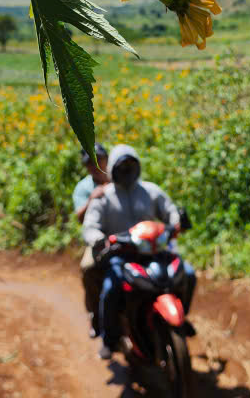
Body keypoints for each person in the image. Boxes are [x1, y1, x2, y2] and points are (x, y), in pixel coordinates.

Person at [83, 145, 196, 360]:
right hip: (121, 255)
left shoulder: (151, 191)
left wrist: (175, 223)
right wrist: (100, 239)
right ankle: (110, 338)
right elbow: (90, 227)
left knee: (187, 274)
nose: (126, 170)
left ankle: (180, 317)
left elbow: (170, 211)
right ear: (113, 169)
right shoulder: (103, 198)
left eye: (130, 165)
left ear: (138, 166)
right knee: (111, 289)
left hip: (154, 252)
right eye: (121, 166)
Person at [72, 143, 109, 337]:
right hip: (98, 240)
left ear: (106, 159)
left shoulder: (119, 175)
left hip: (125, 234)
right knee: (89, 269)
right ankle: (94, 315)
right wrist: (92, 199)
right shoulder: (84, 188)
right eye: (90, 163)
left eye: (98, 160)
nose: (95, 165)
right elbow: (79, 217)